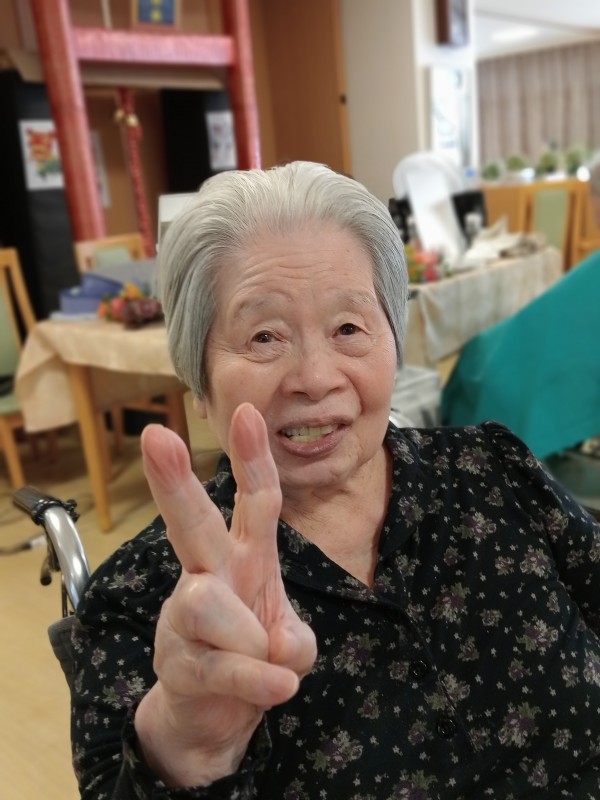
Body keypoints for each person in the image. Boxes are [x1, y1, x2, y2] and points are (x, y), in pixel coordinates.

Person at [71, 161, 600, 800]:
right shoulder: (145, 597)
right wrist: (192, 751)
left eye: (348, 328)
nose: (316, 378)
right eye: (264, 336)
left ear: (394, 344)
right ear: (199, 388)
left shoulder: (494, 470)